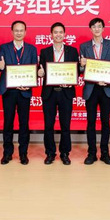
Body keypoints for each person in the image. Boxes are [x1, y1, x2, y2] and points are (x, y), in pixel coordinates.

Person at [38, 22, 79, 165]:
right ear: (51, 35)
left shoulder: (72, 51)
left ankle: (65, 153)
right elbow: (40, 70)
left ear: (65, 34)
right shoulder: (45, 52)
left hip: (66, 92)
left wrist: (71, 80)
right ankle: (50, 153)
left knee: (65, 125)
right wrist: (40, 73)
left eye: (61, 32)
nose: (58, 35)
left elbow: (76, 70)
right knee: (48, 125)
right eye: (55, 32)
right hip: (49, 93)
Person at [0, 20, 38, 165]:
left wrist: (29, 84)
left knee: (24, 123)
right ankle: (7, 153)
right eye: (16, 30)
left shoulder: (31, 49)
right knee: (8, 123)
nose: (19, 33)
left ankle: (23, 153)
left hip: (24, 92)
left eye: (21, 30)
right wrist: (0, 66)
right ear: (12, 32)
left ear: (25, 32)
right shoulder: (4, 47)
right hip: (8, 91)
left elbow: (34, 68)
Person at [79, 17, 110, 165]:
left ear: (103, 28)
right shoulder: (84, 46)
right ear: (90, 29)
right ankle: (92, 153)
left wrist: (107, 79)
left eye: (99, 26)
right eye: (94, 27)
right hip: (91, 88)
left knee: (105, 122)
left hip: (106, 88)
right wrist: (82, 65)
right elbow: (81, 69)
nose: (97, 29)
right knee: (91, 122)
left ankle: (105, 153)